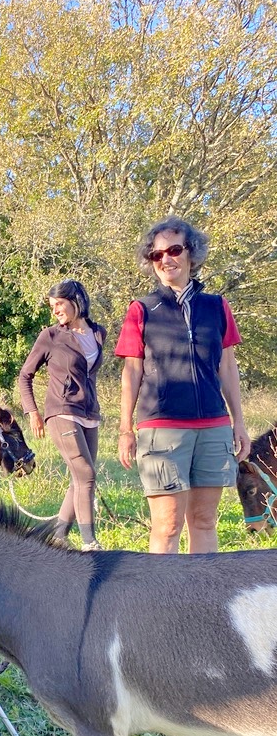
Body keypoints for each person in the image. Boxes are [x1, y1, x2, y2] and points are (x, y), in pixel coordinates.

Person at [115, 216, 250, 554]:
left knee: (204, 521)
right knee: (168, 525)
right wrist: (125, 428)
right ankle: (161, 604)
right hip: (162, 428)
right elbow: (131, 372)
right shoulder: (141, 310)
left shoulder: (217, 307)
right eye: (156, 255)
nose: (166, 259)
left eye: (174, 250)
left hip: (214, 427)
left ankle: (202, 603)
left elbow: (227, 366)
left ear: (192, 253)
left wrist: (240, 423)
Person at [18, 279, 107, 550]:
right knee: (86, 474)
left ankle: (57, 537)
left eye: (59, 304)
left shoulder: (99, 332)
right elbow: (25, 375)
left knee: (79, 477)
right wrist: (32, 411)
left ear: (76, 301)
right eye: (52, 306)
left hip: (89, 412)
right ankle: (90, 543)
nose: (55, 310)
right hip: (61, 411)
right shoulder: (51, 336)